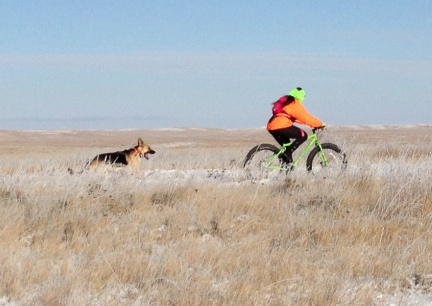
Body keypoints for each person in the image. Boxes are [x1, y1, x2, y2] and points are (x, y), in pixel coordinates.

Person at [267, 87, 326, 164]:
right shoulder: (294, 103)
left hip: (272, 127)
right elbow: (306, 118)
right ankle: (287, 154)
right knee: (303, 135)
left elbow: (298, 118)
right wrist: (320, 124)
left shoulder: (286, 100)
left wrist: (312, 124)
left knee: (287, 150)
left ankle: (287, 168)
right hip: (281, 126)